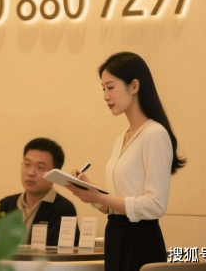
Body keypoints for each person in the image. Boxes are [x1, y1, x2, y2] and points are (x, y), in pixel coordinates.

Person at [65, 52, 186, 271]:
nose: (105, 96)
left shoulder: (155, 134)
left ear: (134, 86)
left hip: (140, 241)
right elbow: (111, 207)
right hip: (115, 235)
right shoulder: (121, 139)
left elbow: (156, 205)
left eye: (110, 87)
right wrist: (89, 192)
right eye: (103, 89)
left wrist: (99, 196)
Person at [0, 137, 79, 246]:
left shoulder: (64, 210)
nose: (31, 173)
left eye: (40, 167)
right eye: (27, 164)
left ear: (55, 174)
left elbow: (54, 251)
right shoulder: (4, 205)